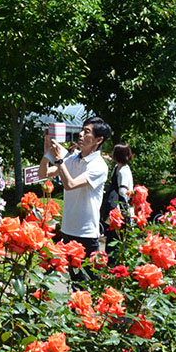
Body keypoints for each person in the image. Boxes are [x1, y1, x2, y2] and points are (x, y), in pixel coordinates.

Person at [38, 116, 111, 279]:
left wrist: (58, 159)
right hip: (68, 230)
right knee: (73, 284)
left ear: (98, 140)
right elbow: (43, 174)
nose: (80, 135)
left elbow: (70, 184)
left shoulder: (99, 166)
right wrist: (47, 154)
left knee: (84, 285)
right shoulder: (72, 159)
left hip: (86, 234)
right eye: (81, 130)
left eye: (87, 132)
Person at [102, 143, 134, 264]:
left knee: (114, 238)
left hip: (117, 210)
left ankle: (113, 264)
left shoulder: (119, 170)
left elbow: (121, 190)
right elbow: (123, 191)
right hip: (118, 209)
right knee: (117, 238)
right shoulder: (121, 169)